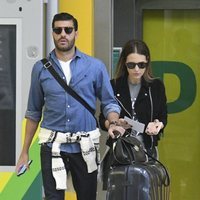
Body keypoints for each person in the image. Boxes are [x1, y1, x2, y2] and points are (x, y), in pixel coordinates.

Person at [15, 12, 125, 200]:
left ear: (76, 33)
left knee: (87, 196)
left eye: (68, 30)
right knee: (53, 197)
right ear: (53, 33)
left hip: (86, 146)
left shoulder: (95, 67)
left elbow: (108, 102)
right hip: (52, 146)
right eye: (58, 30)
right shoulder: (40, 69)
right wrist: (24, 152)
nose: (63, 34)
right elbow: (33, 112)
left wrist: (114, 122)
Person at [99, 39, 168, 188]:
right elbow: (101, 120)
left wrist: (157, 125)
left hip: (146, 151)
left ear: (147, 62)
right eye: (132, 65)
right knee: (119, 194)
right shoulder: (114, 86)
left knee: (144, 193)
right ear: (124, 63)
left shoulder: (155, 87)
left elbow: (163, 116)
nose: (137, 69)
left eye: (141, 65)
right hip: (120, 152)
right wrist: (114, 124)